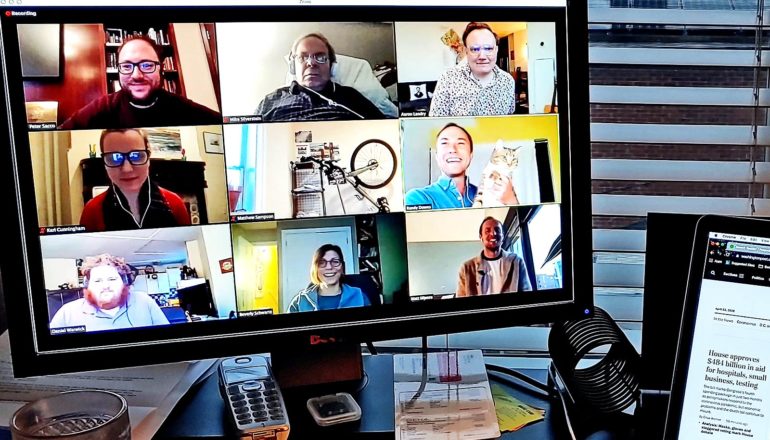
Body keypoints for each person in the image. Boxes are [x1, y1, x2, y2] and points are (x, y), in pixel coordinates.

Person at [59, 35, 221, 129]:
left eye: (147, 65)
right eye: (127, 66)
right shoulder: (102, 108)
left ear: (161, 68)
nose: (136, 75)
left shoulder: (185, 109)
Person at [255, 33, 386, 121]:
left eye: (320, 57)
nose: (311, 63)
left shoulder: (351, 97)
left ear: (332, 67)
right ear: (293, 67)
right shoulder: (271, 101)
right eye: (302, 57)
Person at [79, 128, 190, 231]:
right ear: (104, 163)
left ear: (148, 158)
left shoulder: (175, 204)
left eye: (136, 156)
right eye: (114, 157)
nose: (127, 169)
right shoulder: (91, 211)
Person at [49, 254, 170, 332]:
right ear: (87, 286)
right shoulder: (68, 312)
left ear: (124, 282)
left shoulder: (144, 301)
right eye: (98, 281)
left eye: (112, 279)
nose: (105, 286)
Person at [428, 22, 516, 117]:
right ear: (466, 51)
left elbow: (509, 118)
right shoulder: (448, 79)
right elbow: (436, 125)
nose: (482, 56)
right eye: (475, 49)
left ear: (496, 50)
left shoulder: (508, 81)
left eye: (488, 48)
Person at [405, 122, 478, 209]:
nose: (452, 149)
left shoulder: (487, 195)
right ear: (437, 156)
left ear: (471, 155)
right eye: (444, 143)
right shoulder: (418, 198)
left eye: (460, 143)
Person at [457, 217, 532, 296]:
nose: (493, 233)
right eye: (487, 231)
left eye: (497, 230)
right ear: (481, 237)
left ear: (502, 236)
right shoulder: (466, 268)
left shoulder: (516, 261)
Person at [287, 244, 371, 312]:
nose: (329, 267)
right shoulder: (300, 301)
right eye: (322, 262)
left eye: (335, 262)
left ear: (342, 267)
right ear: (315, 268)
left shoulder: (360, 296)